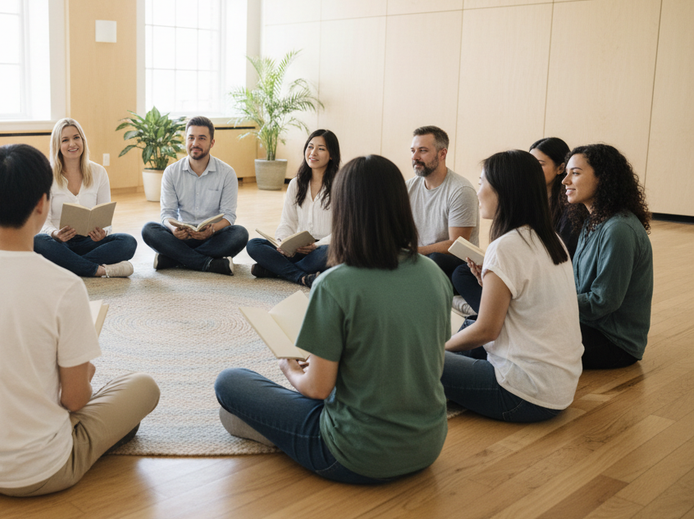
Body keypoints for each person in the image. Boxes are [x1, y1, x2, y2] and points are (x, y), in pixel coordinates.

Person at [0, 144, 160, 497]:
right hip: (38, 470)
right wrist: (85, 374)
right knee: (143, 386)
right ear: (42, 203)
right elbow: (76, 401)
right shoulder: (64, 287)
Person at [215, 155, 451, 484]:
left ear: (345, 209)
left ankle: (282, 437)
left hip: (356, 454)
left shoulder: (336, 283)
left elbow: (317, 388)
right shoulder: (434, 274)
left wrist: (290, 368)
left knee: (229, 381)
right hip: (428, 444)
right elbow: (431, 364)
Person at [442, 151, 583, 422]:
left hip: (523, 396)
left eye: (482, 183)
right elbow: (526, 304)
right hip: (559, 388)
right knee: (470, 324)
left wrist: (439, 349)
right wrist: (490, 282)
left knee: (416, 360)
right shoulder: (550, 238)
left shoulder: (505, 246)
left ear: (503, 191)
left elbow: (487, 330)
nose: (478, 191)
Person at [564, 144, 653, 369]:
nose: (565, 181)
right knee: (516, 326)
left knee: (521, 335)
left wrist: (550, 302)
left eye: (575, 173)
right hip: (588, 325)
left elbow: (603, 301)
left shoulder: (618, 229)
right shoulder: (593, 220)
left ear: (603, 178)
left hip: (614, 343)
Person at [141, 116, 248, 275]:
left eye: (202, 138)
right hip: (181, 238)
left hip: (213, 238)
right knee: (148, 229)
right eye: (191, 138)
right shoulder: (171, 172)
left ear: (212, 143)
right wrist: (173, 229)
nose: (195, 143)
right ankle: (209, 264)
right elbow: (167, 214)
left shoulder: (227, 173)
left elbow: (229, 216)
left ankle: (173, 259)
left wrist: (211, 231)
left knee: (240, 234)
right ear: (186, 140)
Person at [33, 118, 136, 278]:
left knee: (128, 242)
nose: (72, 144)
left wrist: (103, 233)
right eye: (65, 140)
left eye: (76, 137)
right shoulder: (47, 175)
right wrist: (55, 234)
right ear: (57, 146)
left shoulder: (99, 172)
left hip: (90, 242)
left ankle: (64, 266)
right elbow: (43, 220)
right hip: (61, 244)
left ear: (83, 140)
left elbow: (106, 220)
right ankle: (99, 270)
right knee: (38, 241)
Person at [246, 129, 339, 287]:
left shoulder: (340, 184)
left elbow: (342, 230)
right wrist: (283, 243)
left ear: (331, 155)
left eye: (321, 148)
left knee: (331, 253)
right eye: (310, 147)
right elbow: (286, 222)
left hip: (322, 248)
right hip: (297, 249)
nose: (313, 152)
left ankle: (275, 270)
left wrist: (316, 245)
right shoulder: (296, 183)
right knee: (254, 244)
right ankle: (302, 276)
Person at [406, 125, 479, 283]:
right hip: (420, 259)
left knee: (435, 259)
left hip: (456, 265)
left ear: (442, 154)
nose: (415, 157)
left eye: (423, 151)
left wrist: (414, 252)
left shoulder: (460, 190)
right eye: (413, 151)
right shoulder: (407, 188)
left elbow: (456, 245)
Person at [529, 137, 578, 257]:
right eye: (530, 164)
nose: (532, 170)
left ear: (561, 168)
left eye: (540, 164)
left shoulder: (571, 207)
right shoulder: (530, 201)